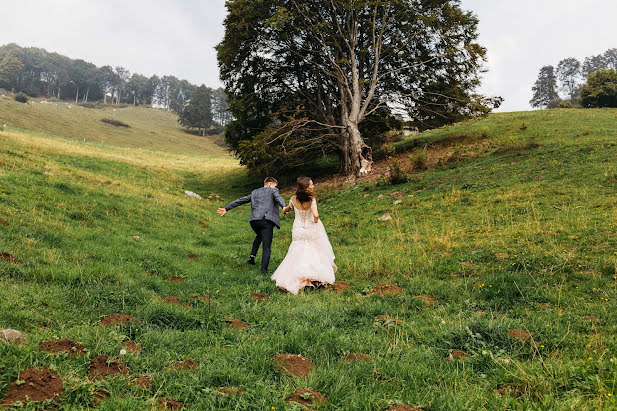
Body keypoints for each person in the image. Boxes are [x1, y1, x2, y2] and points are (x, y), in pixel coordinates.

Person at [271, 177, 336, 294]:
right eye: (311, 185)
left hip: (298, 229)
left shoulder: (293, 199)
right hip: (310, 228)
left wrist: (284, 210)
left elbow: (287, 209)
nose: (313, 186)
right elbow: (316, 215)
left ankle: (301, 278)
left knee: (297, 252)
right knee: (313, 251)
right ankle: (313, 277)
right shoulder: (312, 199)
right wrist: (315, 220)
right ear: (306, 187)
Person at [217, 177, 286, 274]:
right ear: (270, 184)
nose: (275, 188)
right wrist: (284, 207)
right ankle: (264, 271)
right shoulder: (273, 190)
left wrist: (226, 208)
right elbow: (278, 197)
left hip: (254, 221)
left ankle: (251, 258)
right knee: (266, 246)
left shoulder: (255, 192)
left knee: (259, 236)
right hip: (266, 220)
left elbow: (241, 200)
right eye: (275, 185)